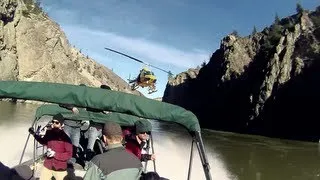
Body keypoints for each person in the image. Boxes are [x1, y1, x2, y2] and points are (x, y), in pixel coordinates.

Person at [28, 113, 73, 180]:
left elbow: (69, 154)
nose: (54, 124)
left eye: (57, 122)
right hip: (47, 165)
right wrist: (34, 134)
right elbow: (43, 141)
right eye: (53, 122)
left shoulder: (66, 138)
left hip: (60, 168)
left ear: (62, 124)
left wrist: (55, 154)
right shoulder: (49, 133)